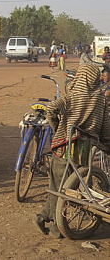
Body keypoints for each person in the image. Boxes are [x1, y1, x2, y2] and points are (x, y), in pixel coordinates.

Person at [33, 64, 110, 239]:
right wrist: (106, 144)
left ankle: (47, 219)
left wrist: (57, 127)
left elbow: (51, 109)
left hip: (64, 145)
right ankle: (49, 222)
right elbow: (105, 128)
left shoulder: (72, 96)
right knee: (72, 188)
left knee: (57, 185)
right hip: (84, 149)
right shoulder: (100, 99)